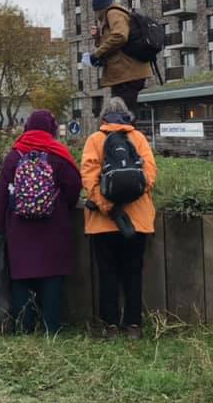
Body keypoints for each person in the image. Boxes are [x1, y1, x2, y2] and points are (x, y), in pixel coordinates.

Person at [0, 110, 82, 334]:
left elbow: (2, 194)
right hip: (53, 226)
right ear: (51, 129)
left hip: (19, 228)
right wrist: (63, 206)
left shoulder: (14, 155)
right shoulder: (58, 154)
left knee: (21, 277)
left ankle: (24, 325)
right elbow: (74, 187)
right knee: (52, 275)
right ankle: (51, 326)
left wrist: (0, 228)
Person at [81, 97, 157, 340]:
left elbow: (89, 178)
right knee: (133, 273)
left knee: (108, 274)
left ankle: (110, 326)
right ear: (126, 116)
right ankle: (133, 325)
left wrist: (107, 207)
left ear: (102, 118)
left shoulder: (95, 140)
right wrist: (133, 196)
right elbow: (150, 176)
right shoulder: (139, 138)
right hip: (138, 220)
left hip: (103, 223)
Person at [90, 0, 152, 112]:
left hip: (127, 74)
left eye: (96, 12)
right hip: (124, 74)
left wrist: (97, 54)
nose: (96, 16)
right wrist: (98, 38)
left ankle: (128, 131)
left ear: (99, 9)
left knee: (123, 114)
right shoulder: (114, 15)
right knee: (123, 113)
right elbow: (114, 41)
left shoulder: (113, 13)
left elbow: (120, 36)